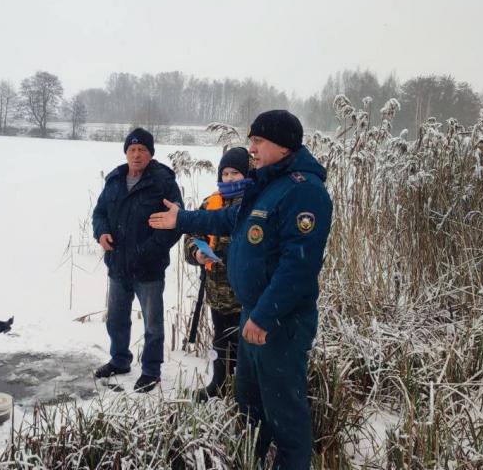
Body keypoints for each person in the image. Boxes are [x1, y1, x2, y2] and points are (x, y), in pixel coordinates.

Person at [149, 110, 332, 469]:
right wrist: (182, 219)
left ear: (282, 145)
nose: (252, 149)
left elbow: (298, 266)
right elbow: (228, 219)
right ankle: (251, 459)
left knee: (285, 413)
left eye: (258, 141)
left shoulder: (304, 191)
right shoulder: (267, 183)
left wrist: (264, 316)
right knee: (249, 403)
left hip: (278, 323)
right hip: (253, 314)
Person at [91, 127, 182, 393]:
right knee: (116, 319)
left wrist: (149, 250)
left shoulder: (163, 182)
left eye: (142, 149)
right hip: (118, 265)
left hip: (149, 269)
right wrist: (102, 232)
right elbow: (99, 213)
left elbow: (175, 223)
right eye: (132, 149)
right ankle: (120, 360)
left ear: (151, 153)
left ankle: (151, 371)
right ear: (126, 153)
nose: (137, 154)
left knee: (153, 324)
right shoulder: (115, 179)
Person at [182, 147, 251, 401]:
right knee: (220, 341)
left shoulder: (255, 203)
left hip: (244, 296)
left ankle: (243, 392)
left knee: (245, 347)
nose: (230, 178)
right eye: (226, 173)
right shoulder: (211, 202)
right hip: (216, 293)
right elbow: (191, 236)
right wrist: (196, 253)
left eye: (236, 173)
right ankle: (219, 384)